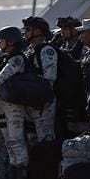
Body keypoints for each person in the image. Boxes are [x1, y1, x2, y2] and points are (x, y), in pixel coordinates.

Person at [0, 27, 29, 179]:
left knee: (16, 140)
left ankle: (21, 177)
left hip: (13, 105)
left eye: (2, 39)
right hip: (3, 104)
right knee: (8, 141)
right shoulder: (6, 58)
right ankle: (14, 175)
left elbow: (3, 76)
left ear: (10, 41)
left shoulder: (17, 59)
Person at [21, 16, 57, 144]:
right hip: (29, 101)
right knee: (31, 138)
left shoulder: (46, 50)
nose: (25, 32)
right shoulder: (29, 51)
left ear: (38, 31)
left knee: (45, 137)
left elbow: (50, 77)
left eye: (28, 29)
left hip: (43, 102)